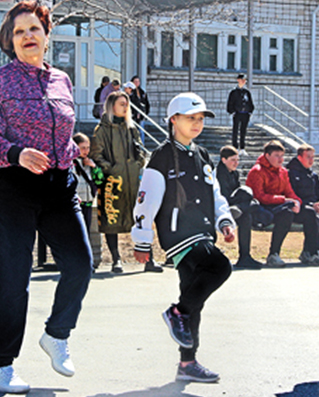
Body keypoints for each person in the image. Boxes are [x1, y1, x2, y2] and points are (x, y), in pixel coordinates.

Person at [0, 2, 93, 393]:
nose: (28, 36)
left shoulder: (62, 80)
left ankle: (57, 334)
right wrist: (17, 154)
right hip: (14, 187)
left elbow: (64, 132)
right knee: (15, 279)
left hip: (59, 186)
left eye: (34, 29)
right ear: (10, 41)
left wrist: (75, 153)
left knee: (80, 264)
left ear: (46, 36)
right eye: (19, 31)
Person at [132, 92, 235, 383]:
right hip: (179, 234)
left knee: (195, 298)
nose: (197, 123)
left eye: (200, 119)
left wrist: (224, 219)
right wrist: (142, 239)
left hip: (203, 231)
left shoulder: (202, 155)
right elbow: (146, 198)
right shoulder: (162, 155)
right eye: (191, 118)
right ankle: (178, 312)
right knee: (220, 267)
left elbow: (215, 193)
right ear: (173, 120)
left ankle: (187, 363)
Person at [89, 91, 162, 274]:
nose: (125, 107)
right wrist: (111, 168)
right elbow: (96, 155)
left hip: (133, 182)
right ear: (112, 105)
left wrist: (139, 162)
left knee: (141, 219)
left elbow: (140, 148)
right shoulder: (102, 129)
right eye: (121, 103)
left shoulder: (132, 128)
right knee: (111, 220)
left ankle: (149, 260)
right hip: (113, 182)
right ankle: (116, 259)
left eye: (126, 104)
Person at [245, 140, 301, 267]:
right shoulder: (257, 171)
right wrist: (283, 200)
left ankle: (311, 252)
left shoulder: (283, 171)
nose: (280, 159)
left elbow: (289, 191)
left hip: (278, 206)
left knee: (310, 214)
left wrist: (297, 202)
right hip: (261, 209)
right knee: (286, 214)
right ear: (267, 155)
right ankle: (273, 254)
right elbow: (259, 196)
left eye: (282, 156)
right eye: (277, 155)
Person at [286, 144, 319, 266]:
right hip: (300, 209)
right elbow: (292, 195)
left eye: (313, 157)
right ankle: (314, 253)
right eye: (308, 157)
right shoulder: (290, 173)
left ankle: (309, 251)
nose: (311, 160)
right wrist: (313, 205)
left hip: (314, 207)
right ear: (299, 157)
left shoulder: (313, 175)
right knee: (314, 216)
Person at [215, 145, 263, 269]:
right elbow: (223, 197)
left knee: (248, 213)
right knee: (249, 205)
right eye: (233, 160)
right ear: (223, 160)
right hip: (220, 208)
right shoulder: (219, 174)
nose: (236, 163)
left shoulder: (234, 173)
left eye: (237, 160)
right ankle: (239, 209)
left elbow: (237, 191)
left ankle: (245, 257)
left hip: (235, 205)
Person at [72, 133, 98, 234]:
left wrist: (94, 167)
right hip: (76, 204)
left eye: (88, 148)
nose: (86, 151)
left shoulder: (89, 162)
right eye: (83, 148)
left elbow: (99, 180)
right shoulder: (70, 163)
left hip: (88, 203)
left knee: (86, 233)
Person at [226, 74, 254, 156]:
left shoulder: (246, 92)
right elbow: (230, 103)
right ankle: (235, 147)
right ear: (238, 80)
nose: (243, 82)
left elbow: (250, 102)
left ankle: (242, 147)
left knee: (243, 131)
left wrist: (250, 111)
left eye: (244, 80)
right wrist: (232, 111)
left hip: (245, 114)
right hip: (237, 113)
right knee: (235, 130)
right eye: (242, 80)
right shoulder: (234, 92)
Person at [130, 75, 151, 144]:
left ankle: (142, 146)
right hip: (133, 115)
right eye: (135, 81)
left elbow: (146, 102)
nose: (136, 83)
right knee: (134, 131)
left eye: (138, 81)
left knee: (141, 131)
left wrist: (145, 113)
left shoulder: (142, 92)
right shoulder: (131, 92)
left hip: (141, 115)